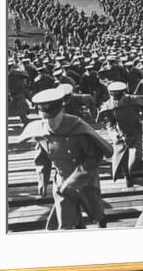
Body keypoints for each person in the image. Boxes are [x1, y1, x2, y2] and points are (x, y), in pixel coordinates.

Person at [18, 88, 113, 229]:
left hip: (86, 180)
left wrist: (75, 180)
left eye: (54, 118)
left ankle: (101, 223)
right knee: (65, 222)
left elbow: (95, 156)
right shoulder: (40, 131)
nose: (50, 123)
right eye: (46, 119)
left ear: (61, 111)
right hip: (61, 182)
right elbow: (42, 157)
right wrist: (42, 179)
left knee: (96, 211)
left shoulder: (78, 127)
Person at [96, 82, 143, 187]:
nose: (117, 101)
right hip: (120, 134)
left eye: (119, 97)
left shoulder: (133, 100)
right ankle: (128, 177)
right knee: (122, 158)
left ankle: (132, 171)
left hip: (135, 132)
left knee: (135, 158)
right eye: (114, 98)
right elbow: (109, 123)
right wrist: (114, 134)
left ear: (123, 94)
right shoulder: (108, 106)